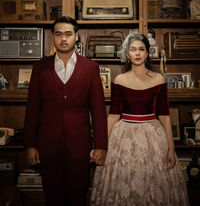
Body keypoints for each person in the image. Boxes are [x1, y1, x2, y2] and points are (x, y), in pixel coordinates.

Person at [90, 29, 189, 206]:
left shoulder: (159, 79)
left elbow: (165, 116)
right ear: (127, 53)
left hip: (153, 137)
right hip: (123, 138)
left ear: (147, 52)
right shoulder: (119, 80)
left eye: (141, 49)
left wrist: (171, 149)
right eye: (133, 49)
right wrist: (100, 145)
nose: (137, 53)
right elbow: (113, 115)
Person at [24, 16, 107, 206]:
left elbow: (98, 110)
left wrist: (101, 145)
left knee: (77, 198)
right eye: (59, 34)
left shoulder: (90, 68)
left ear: (76, 36)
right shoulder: (40, 68)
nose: (63, 38)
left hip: (80, 147)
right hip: (47, 147)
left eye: (68, 34)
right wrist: (30, 144)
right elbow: (32, 110)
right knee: (52, 198)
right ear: (52, 37)